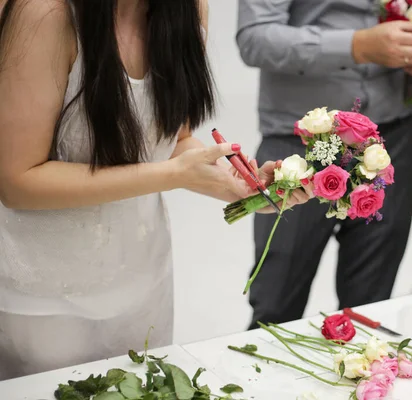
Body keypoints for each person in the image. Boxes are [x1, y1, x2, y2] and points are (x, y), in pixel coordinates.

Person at [0, 0, 310, 380]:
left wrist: (239, 186)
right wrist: (171, 174)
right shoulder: (45, 13)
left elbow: (170, 140)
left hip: (143, 281)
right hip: (46, 298)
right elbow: (17, 181)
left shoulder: (188, 10)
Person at [236, 0, 412, 329]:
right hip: (298, 142)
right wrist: (357, 45)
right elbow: (255, 38)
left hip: (391, 139)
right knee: (275, 303)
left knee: (370, 308)